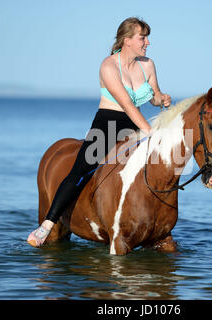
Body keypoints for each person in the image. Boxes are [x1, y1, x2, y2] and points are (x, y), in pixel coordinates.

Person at [27, 17, 172, 247]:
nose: (147, 42)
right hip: (107, 126)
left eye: (147, 37)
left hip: (134, 129)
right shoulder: (108, 66)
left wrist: (160, 98)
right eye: (142, 37)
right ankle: (47, 225)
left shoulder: (148, 65)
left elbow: (153, 95)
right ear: (127, 40)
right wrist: (148, 131)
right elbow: (127, 104)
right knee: (80, 170)